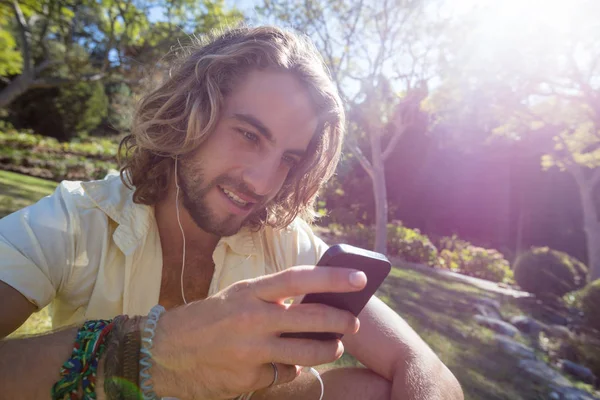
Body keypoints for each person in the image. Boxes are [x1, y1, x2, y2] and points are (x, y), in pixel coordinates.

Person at [0, 26, 463, 400]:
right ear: (189, 114)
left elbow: (423, 367)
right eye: (248, 135)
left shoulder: (284, 243)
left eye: (288, 158)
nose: (263, 184)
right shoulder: (79, 218)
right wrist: (148, 354)